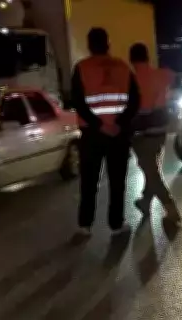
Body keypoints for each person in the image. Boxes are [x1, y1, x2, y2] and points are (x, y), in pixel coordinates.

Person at [71, 28, 140, 236]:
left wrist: (98, 124)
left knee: (89, 182)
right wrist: (118, 123)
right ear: (108, 44)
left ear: (89, 45)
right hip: (118, 134)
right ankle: (116, 224)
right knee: (117, 182)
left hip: (92, 135)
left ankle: (85, 225)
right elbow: (134, 101)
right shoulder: (123, 67)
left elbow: (78, 102)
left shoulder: (81, 68)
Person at [129, 42, 180, 223]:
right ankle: (145, 201)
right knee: (151, 167)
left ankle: (170, 207)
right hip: (160, 130)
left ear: (131, 59)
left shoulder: (132, 79)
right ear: (147, 57)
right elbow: (173, 77)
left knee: (150, 170)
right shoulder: (162, 75)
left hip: (143, 133)